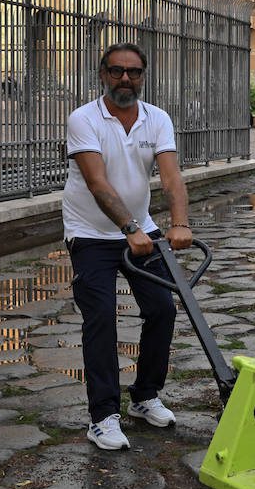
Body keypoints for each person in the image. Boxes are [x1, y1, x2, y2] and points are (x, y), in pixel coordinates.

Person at [64, 43, 193, 450]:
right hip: (90, 232)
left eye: (134, 72)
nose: (125, 79)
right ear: (103, 74)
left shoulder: (157, 119)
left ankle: (144, 395)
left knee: (161, 307)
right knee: (101, 317)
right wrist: (128, 226)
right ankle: (102, 415)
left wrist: (179, 223)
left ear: (143, 76)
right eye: (117, 71)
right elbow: (97, 182)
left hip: (143, 229)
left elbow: (171, 176)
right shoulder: (83, 119)